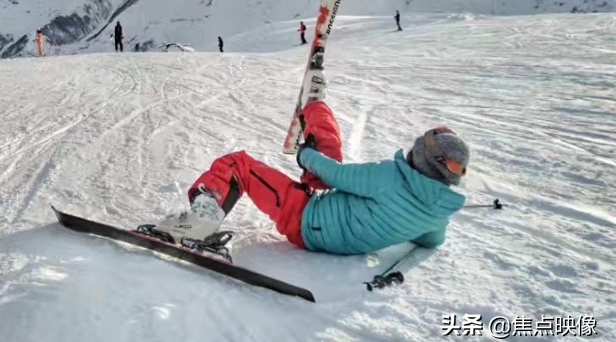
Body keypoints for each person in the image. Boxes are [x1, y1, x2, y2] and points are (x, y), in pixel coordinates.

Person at [150, 69, 469, 255]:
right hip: (337, 233)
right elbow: (431, 241)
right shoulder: (440, 211)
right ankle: (315, 103)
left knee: (238, 164)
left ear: (419, 156)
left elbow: (335, 175)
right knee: (326, 153)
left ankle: (198, 223)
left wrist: (305, 154)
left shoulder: (390, 177)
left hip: (306, 220)